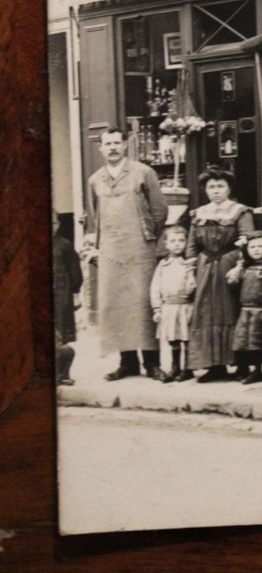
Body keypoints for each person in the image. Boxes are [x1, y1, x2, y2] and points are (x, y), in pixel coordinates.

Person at [86, 126, 168, 381]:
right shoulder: (95, 180)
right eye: (107, 143)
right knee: (118, 304)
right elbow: (94, 215)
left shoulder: (144, 172)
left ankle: (152, 363)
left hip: (140, 247)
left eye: (116, 143)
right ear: (100, 148)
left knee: (144, 303)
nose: (112, 147)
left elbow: (159, 210)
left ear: (125, 145)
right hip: (111, 249)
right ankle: (127, 362)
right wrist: (101, 245)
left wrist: (146, 235)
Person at [187, 166, 253, 383]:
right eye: (211, 187)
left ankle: (241, 365)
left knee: (231, 311)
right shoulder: (198, 214)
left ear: (229, 188)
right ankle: (214, 366)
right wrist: (190, 272)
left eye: (220, 186)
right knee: (206, 313)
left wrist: (240, 266)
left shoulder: (240, 211)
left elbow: (248, 239)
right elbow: (191, 245)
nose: (216, 191)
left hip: (229, 266)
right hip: (204, 267)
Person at [229, 232, 262, 385]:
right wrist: (238, 266)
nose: (256, 250)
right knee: (252, 344)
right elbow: (233, 284)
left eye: (260, 246)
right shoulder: (245, 268)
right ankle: (257, 371)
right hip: (246, 311)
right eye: (252, 247)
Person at [150, 224, 197, 383]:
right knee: (173, 338)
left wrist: (192, 282)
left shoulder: (190, 264)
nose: (177, 244)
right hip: (168, 307)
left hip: (185, 306)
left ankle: (188, 368)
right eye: (173, 241)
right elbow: (155, 287)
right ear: (166, 244)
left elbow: (194, 286)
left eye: (181, 241)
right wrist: (157, 308)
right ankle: (175, 366)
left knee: (186, 338)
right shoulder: (163, 265)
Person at [52, 212, 83, 386]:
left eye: (53, 222)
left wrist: (75, 293)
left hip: (62, 297)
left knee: (61, 336)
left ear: (58, 224)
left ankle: (63, 374)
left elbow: (75, 272)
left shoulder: (64, 245)